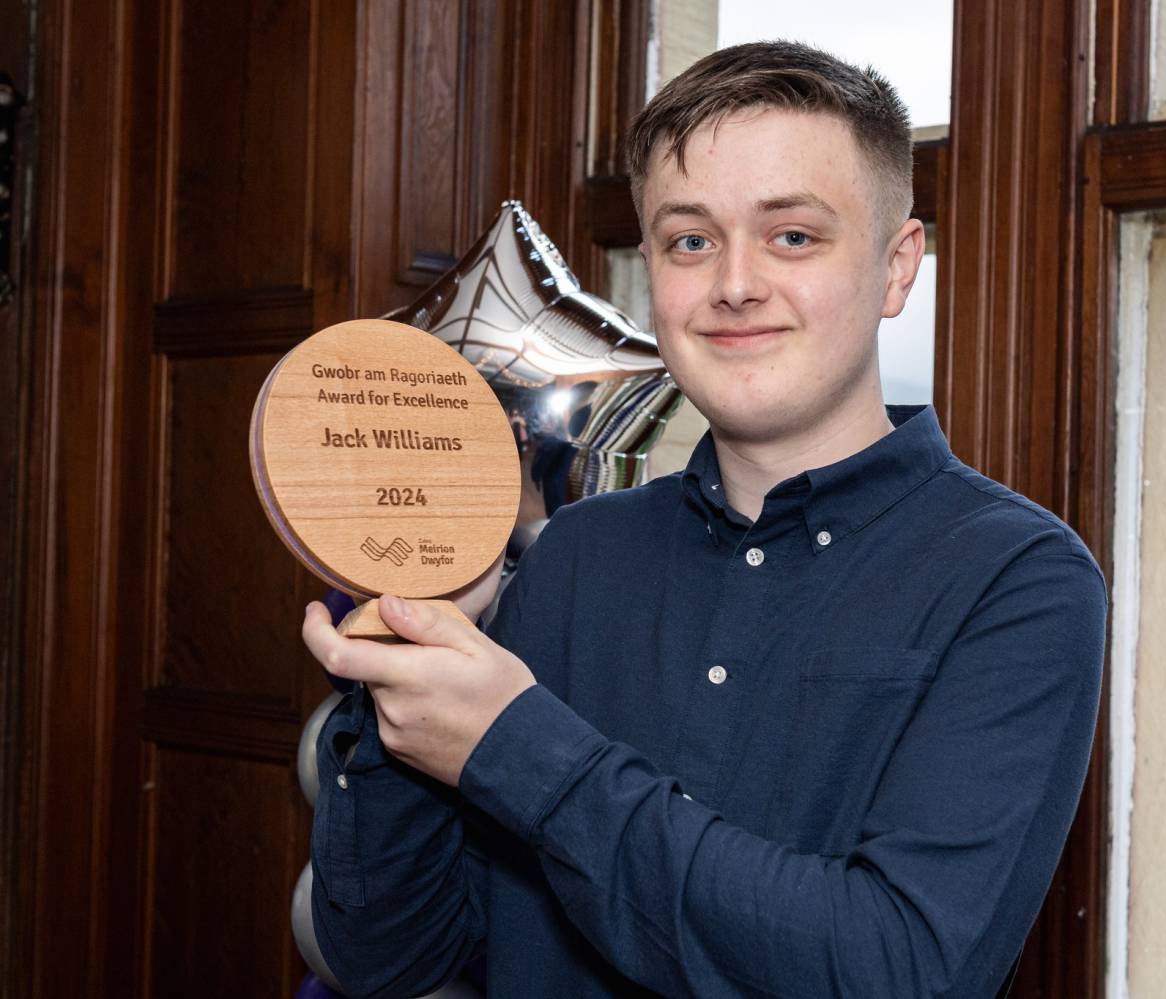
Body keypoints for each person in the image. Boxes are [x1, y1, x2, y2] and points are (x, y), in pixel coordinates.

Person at [303, 40, 1108, 999]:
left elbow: (899, 970)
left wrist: (517, 745)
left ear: (897, 269)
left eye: (792, 236)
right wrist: (407, 669)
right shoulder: (574, 555)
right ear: (651, 269)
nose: (734, 283)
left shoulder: (1018, 578)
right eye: (690, 240)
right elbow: (392, 955)